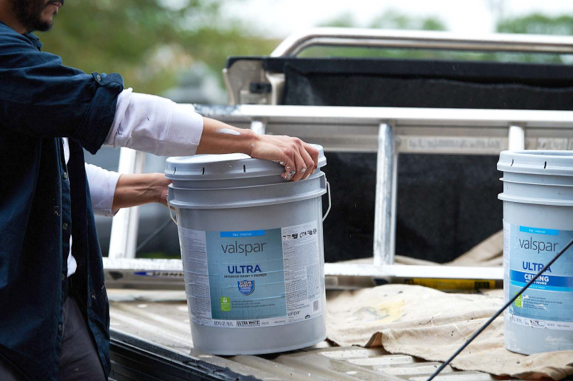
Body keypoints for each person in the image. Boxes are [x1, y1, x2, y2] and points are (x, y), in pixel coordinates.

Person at [0, 0, 319, 379]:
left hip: (51, 300)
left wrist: (157, 187)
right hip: (14, 306)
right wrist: (249, 142)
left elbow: (50, 175)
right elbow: (121, 115)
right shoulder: (6, 59)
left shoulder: (21, 54)